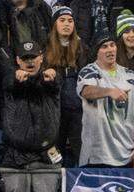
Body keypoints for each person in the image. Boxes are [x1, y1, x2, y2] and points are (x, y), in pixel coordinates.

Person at [0, 37, 62, 192]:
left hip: (45, 158)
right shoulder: (10, 81)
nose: (29, 62)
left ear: (41, 58)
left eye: (33, 57)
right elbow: (10, 83)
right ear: (17, 60)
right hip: (15, 159)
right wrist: (17, 79)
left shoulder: (50, 82)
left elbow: (53, 85)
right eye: (25, 58)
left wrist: (51, 78)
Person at [77, 34, 134, 168]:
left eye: (112, 45)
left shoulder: (133, 77)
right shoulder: (89, 72)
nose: (110, 50)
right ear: (96, 52)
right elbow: (86, 91)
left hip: (127, 156)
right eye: (104, 47)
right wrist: (109, 91)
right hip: (96, 156)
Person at [46, 4, 85, 167]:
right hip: (54, 113)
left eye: (70, 20)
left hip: (77, 112)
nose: (67, 24)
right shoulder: (45, 47)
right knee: (54, 156)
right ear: (55, 23)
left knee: (80, 155)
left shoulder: (82, 47)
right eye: (62, 20)